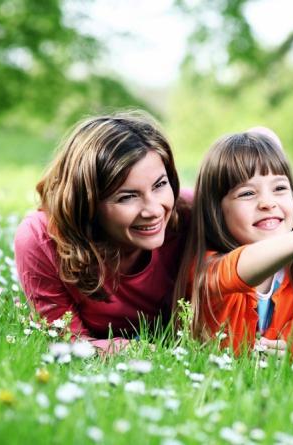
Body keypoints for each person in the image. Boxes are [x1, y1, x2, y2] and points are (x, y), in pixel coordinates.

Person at [14, 111, 190, 354]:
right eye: (127, 197)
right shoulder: (41, 237)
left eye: (160, 185)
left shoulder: (187, 213)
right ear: (88, 202)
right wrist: (127, 349)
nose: (153, 210)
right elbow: (67, 341)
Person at [174, 130, 293, 355]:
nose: (267, 203)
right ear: (216, 211)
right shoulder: (206, 270)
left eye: (280, 188)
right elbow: (237, 269)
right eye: (247, 193)